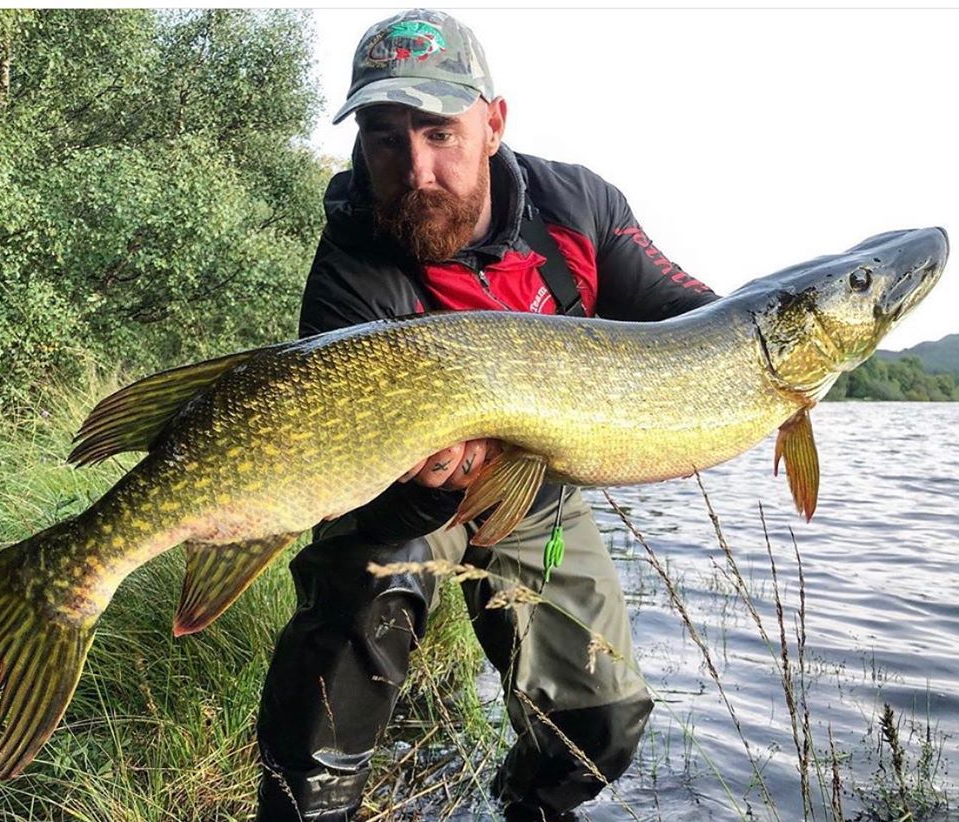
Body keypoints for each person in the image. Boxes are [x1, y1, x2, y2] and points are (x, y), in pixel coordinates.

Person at [255, 9, 718, 821]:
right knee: (368, 598)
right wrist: (433, 492)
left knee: (600, 724)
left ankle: (529, 802)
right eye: (385, 137)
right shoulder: (350, 271)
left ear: (493, 123)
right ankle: (308, 805)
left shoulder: (578, 205)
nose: (415, 167)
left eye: (439, 132)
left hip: (535, 488)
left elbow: (690, 319)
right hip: (402, 494)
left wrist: (748, 354)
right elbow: (373, 500)